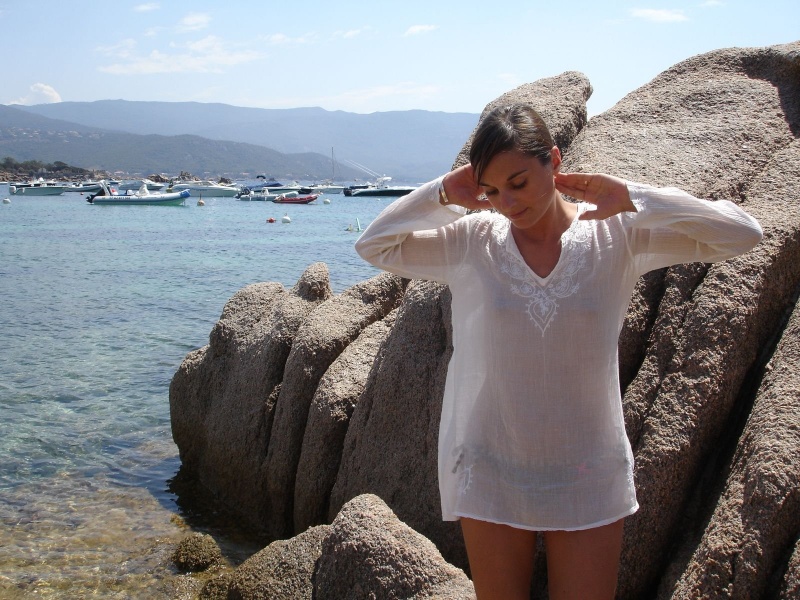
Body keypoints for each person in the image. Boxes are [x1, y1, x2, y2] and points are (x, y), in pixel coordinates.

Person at [354, 104, 762, 600]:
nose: (507, 202)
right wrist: (440, 192)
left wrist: (634, 196)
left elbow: (742, 234)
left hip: (587, 468)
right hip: (492, 463)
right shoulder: (471, 240)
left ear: (554, 159)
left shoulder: (616, 233)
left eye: (518, 182)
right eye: (491, 191)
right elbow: (374, 246)